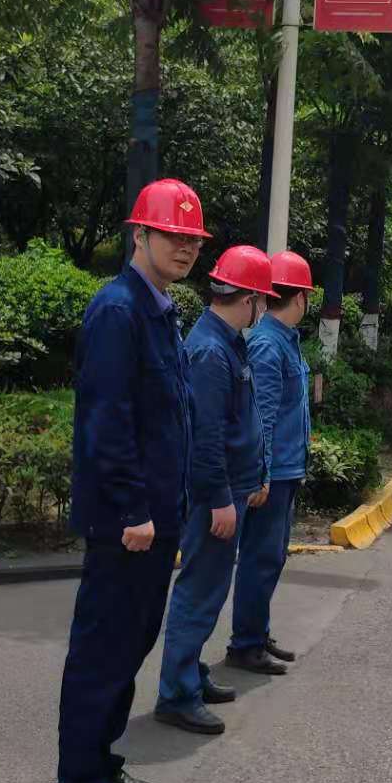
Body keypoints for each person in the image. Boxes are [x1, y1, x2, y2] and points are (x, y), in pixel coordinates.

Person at [49, 178, 206, 783]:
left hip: (156, 518)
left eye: (192, 239)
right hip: (129, 523)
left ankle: (101, 764)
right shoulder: (117, 311)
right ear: (138, 234)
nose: (184, 247)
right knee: (103, 653)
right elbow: (107, 423)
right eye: (172, 234)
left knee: (130, 647)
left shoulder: (160, 308)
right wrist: (133, 508)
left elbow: (167, 419)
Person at [154, 245, 275, 737]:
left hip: (230, 489)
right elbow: (205, 437)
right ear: (244, 298)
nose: (262, 310)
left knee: (210, 588)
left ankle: (190, 672)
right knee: (199, 590)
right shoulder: (209, 350)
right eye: (260, 301)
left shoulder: (227, 341)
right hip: (214, 497)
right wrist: (221, 498)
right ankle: (177, 692)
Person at [230, 250, 316, 676]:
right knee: (260, 558)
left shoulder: (282, 340)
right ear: (300, 297)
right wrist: (261, 473)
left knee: (272, 557)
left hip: (287, 468)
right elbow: (261, 415)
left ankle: (257, 633)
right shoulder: (267, 344)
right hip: (273, 473)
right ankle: (245, 643)